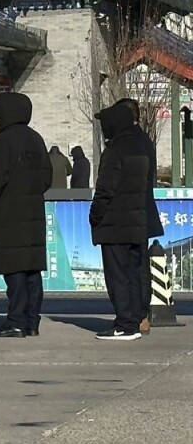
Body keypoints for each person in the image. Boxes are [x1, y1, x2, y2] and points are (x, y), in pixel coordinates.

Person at [0, 93, 51, 338]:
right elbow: (47, 177)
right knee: (32, 271)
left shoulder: (4, 140)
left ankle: (16, 320)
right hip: (33, 214)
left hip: (10, 214)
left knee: (15, 270)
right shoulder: (36, 139)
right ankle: (32, 322)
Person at [90, 103, 151, 341]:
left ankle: (124, 324)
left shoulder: (114, 151)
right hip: (137, 221)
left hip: (115, 225)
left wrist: (94, 216)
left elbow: (105, 189)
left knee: (117, 276)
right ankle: (135, 319)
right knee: (134, 274)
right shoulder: (140, 148)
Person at [114, 97, 163, 335]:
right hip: (143, 209)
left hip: (130, 212)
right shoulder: (144, 139)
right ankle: (141, 315)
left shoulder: (127, 141)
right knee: (139, 264)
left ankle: (136, 315)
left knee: (131, 266)